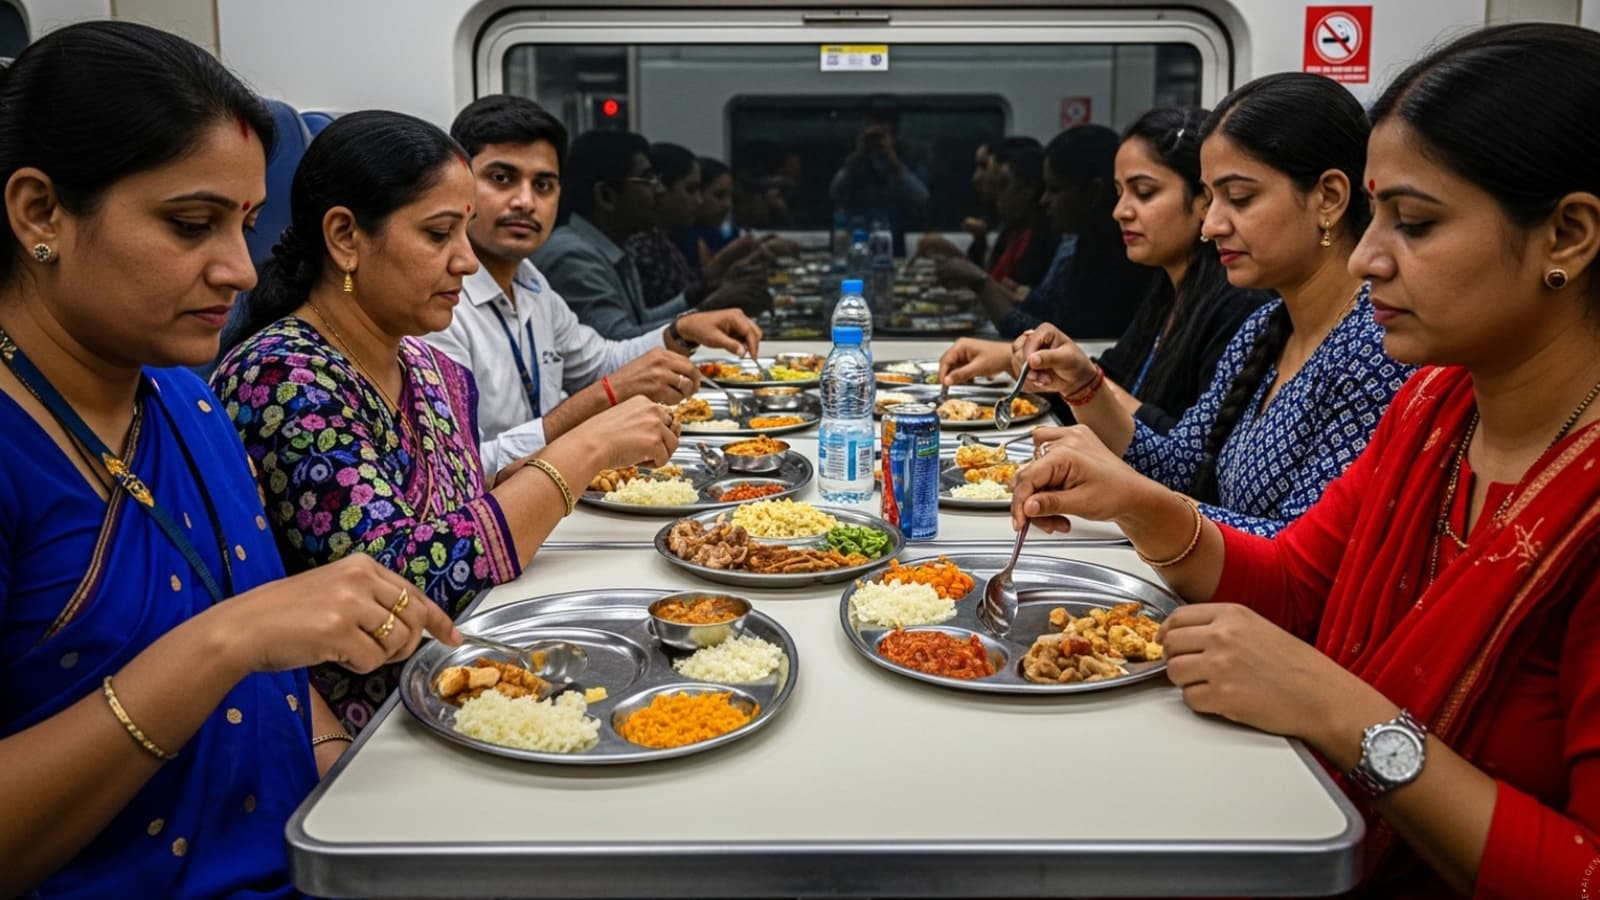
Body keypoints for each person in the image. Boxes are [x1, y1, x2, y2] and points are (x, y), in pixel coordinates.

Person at [1012, 23, 1600, 897]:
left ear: (1567, 236)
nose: (1368, 256)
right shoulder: (1435, 414)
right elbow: (1296, 578)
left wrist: (1338, 710)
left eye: (1417, 223)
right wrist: (1140, 504)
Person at [0, 22, 460, 898]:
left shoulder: (185, 400)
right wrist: (222, 644)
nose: (241, 271)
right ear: (40, 213)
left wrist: (355, 794)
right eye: (190, 225)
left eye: (246, 225)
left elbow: (279, 688)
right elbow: (242, 636)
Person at [212, 112, 678, 731]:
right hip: (369, 723)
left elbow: (457, 513)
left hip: (465, 677)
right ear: (346, 237)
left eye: (464, 232)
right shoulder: (283, 377)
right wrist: (580, 451)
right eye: (438, 235)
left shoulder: (432, 369)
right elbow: (400, 590)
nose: (465, 260)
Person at [1020, 75, 1412, 536]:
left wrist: (1136, 501)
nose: (1211, 227)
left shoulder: (1376, 349)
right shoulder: (1266, 328)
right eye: (1211, 199)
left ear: (1328, 197)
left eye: (1240, 199)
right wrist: (1085, 387)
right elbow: (1178, 466)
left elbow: (1304, 553)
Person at [426, 96, 761, 475]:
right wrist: (605, 397)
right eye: (501, 178)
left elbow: (598, 362)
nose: (525, 201)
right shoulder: (438, 307)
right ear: (459, 184)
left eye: (544, 185)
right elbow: (455, 472)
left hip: (551, 489)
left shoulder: (530, 282)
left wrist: (680, 331)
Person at [941, 108, 1268, 435]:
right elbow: (1115, 374)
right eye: (1119, 192)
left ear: (1203, 200)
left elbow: (1192, 454)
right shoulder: (1168, 288)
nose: (1120, 211)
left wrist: (1085, 383)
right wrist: (1015, 359)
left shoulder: (1237, 305)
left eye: (1144, 192)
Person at [534, 130, 769, 339]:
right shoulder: (573, 257)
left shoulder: (613, 247)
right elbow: (619, 341)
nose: (658, 190)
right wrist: (707, 311)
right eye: (647, 179)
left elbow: (642, 321)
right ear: (606, 195)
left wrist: (699, 297)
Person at [936, 124, 1162, 340]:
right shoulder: (1077, 246)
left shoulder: (1113, 263)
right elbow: (1046, 312)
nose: (1044, 200)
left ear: (1092, 193)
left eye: (1055, 190)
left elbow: (1061, 341)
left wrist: (981, 283)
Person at [627, 142, 770, 309]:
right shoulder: (644, 245)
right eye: (691, 190)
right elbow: (649, 324)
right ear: (661, 189)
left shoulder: (662, 239)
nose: (699, 200)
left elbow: (690, 291)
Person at [918, 138, 1056, 292]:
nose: (997, 195)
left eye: (1002, 185)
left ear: (1028, 189)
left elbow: (1002, 295)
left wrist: (955, 255)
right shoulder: (1011, 231)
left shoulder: (1038, 240)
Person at [828, 100, 930, 255]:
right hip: (857, 243)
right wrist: (858, 156)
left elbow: (922, 197)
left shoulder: (909, 160)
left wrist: (893, 162)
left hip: (897, 241)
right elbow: (834, 192)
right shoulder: (853, 162)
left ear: (895, 134)